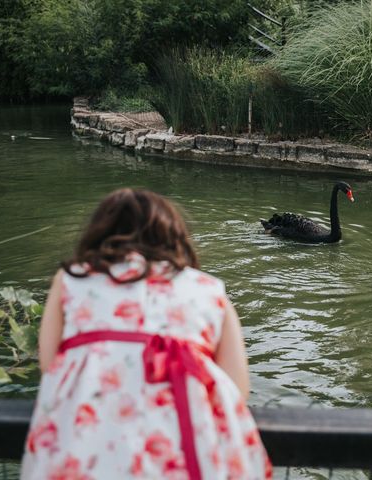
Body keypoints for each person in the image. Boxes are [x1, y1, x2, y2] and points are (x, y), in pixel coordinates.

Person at [21, 188, 272, 479]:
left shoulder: (71, 279)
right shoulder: (208, 289)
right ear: (172, 235)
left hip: (88, 443)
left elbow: (50, 364)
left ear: (98, 232)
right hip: (186, 444)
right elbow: (237, 386)